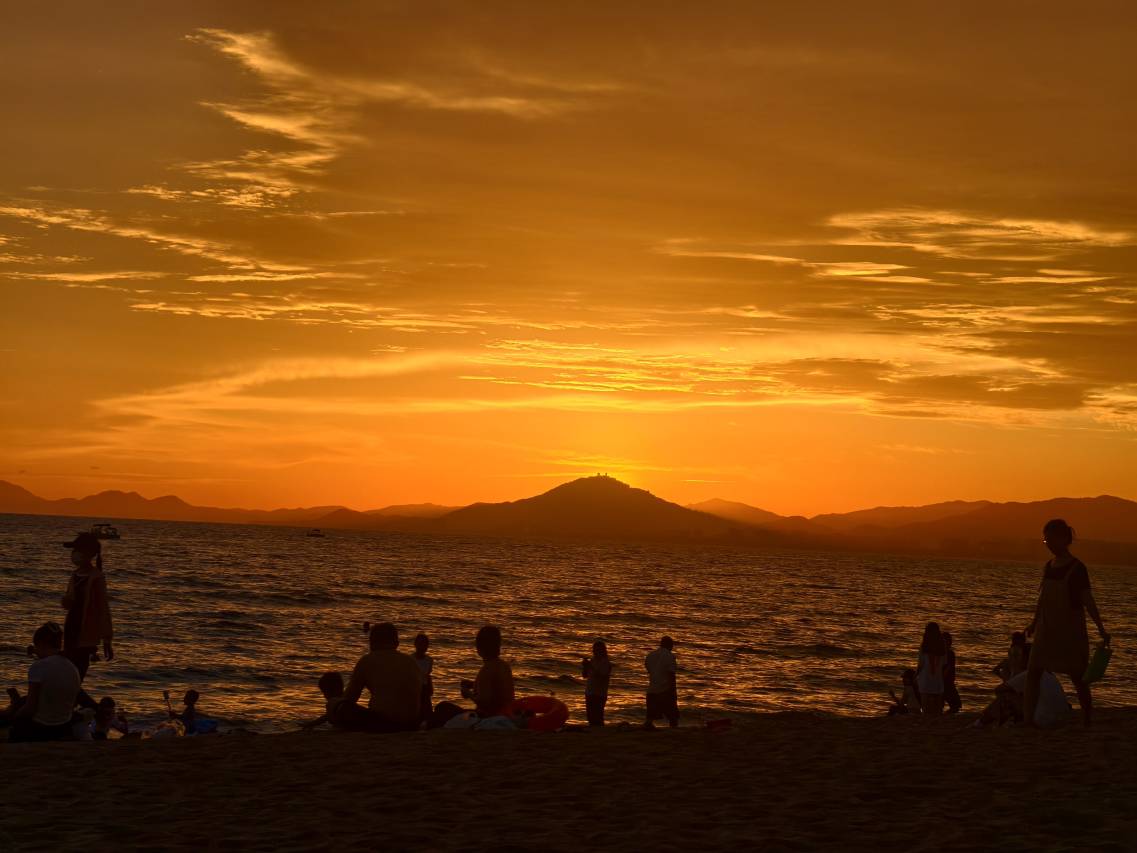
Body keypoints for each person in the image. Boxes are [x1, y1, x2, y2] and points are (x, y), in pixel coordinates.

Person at [1024, 519, 1110, 727]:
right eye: (1045, 540)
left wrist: (1101, 628)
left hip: (1069, 630)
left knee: (1078, 676)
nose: (1048, 543)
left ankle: (1087, 718)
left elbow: (1087, 600)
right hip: (1046, 628)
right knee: (1033, 672)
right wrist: (1034, 623)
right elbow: (1042, 598)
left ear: (1064, 539)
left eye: (1050, 538)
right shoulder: (1049, 566)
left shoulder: (1077, 568)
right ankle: (1028, 720)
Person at [342, 622, 423, 732]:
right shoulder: (411, 662)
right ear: (396, 643)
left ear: (372, 641)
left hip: (383, 723)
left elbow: (349, 699)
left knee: (338, 706)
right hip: (411, 724)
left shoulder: (367, 660)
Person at [60, 532, 113, 696]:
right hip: (71, 629)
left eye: (77, 550)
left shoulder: (96, 577)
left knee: (76, 677)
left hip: (85, 635)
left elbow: (102, 608)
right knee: (67, 674)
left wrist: (106, 639)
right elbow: (70, 600)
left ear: (88, 553)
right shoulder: (75, 575)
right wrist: (66, 602)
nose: (73, 554)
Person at [9, 622, 81, 743]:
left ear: (41, 643)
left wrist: (14, 717)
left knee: (17, 713)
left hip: (42, 728)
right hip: (64, 726)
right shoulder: (72, 667)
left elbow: (30, 708)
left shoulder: (38, 667)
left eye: (36, 645)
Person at [460, 625, 515, 718]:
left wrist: (467, 693)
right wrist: (474, 685)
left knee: (444, 708)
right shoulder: (504, 665)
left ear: (479, 646)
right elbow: (496, 690)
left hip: (489, 715)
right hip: (507, 712)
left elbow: (484, 702)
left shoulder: (487, 669)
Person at [644, 636, 679, 728]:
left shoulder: (650, 656)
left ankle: (648, 726)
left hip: (652, 689)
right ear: (669, 645)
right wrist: (673, 690)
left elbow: (649, 671)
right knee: (672, 716)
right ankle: (673, 730)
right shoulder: (670, 656)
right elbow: (671, 674)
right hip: (665, 689)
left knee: (650, 715)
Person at [916, 622, 946, 715]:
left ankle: (926, 718)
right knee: (937, 705)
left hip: (925, 677)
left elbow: (920, 664)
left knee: (925, 703)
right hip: (937, 678)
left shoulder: (924, 646)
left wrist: (916, 675)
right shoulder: (942, 645)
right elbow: (945, 663)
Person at [582, 640, 613, 727]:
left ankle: (599, 732)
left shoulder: (606, 662)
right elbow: (584, 675)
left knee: (598, 716)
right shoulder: (593, 660)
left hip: (599, 693)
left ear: (603, 651)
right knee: (590, 717)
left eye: (598, 650)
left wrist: (590, 666)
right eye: (594, 650)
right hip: (590, 691)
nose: (595, 652)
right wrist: (585, 667)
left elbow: (602, 677)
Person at [413, 633, 434, 724]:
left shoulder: (429, 660)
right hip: (414, 687)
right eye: (421, 644)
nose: (423, 647)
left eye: (425, 644)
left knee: (427, 711)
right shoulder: (410, 659)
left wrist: (430, 687)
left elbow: (428, 675)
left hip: (425, 688)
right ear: (415, 645)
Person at [943, 632, 962, 714]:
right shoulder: (948, 654)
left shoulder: (948, 653)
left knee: (955, 704)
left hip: (947, 681)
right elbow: (948, 668)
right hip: (946, 681)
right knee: (956, 704)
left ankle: (943, 715)